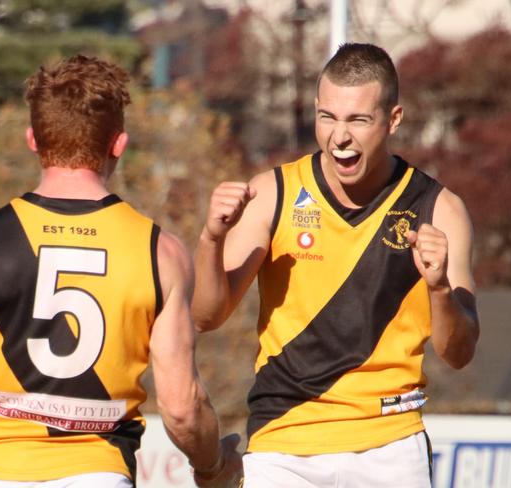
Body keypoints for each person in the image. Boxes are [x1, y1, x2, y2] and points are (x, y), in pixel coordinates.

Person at [0, 54, 241, 488]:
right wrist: (214, 467)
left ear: (33, 139)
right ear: (119, 144)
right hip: (95, 473)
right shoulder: (160, 253)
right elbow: (183, 409)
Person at [192, 43, 479, 487]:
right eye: (327, 117)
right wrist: (211, 238)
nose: (338, 137)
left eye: (358, 120)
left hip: (390, 445)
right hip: (283, 444)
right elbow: (206, 316)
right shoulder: (272, 193)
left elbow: (458, 354)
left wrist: (439, 290)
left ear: (393, 119)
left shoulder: (439, 209)